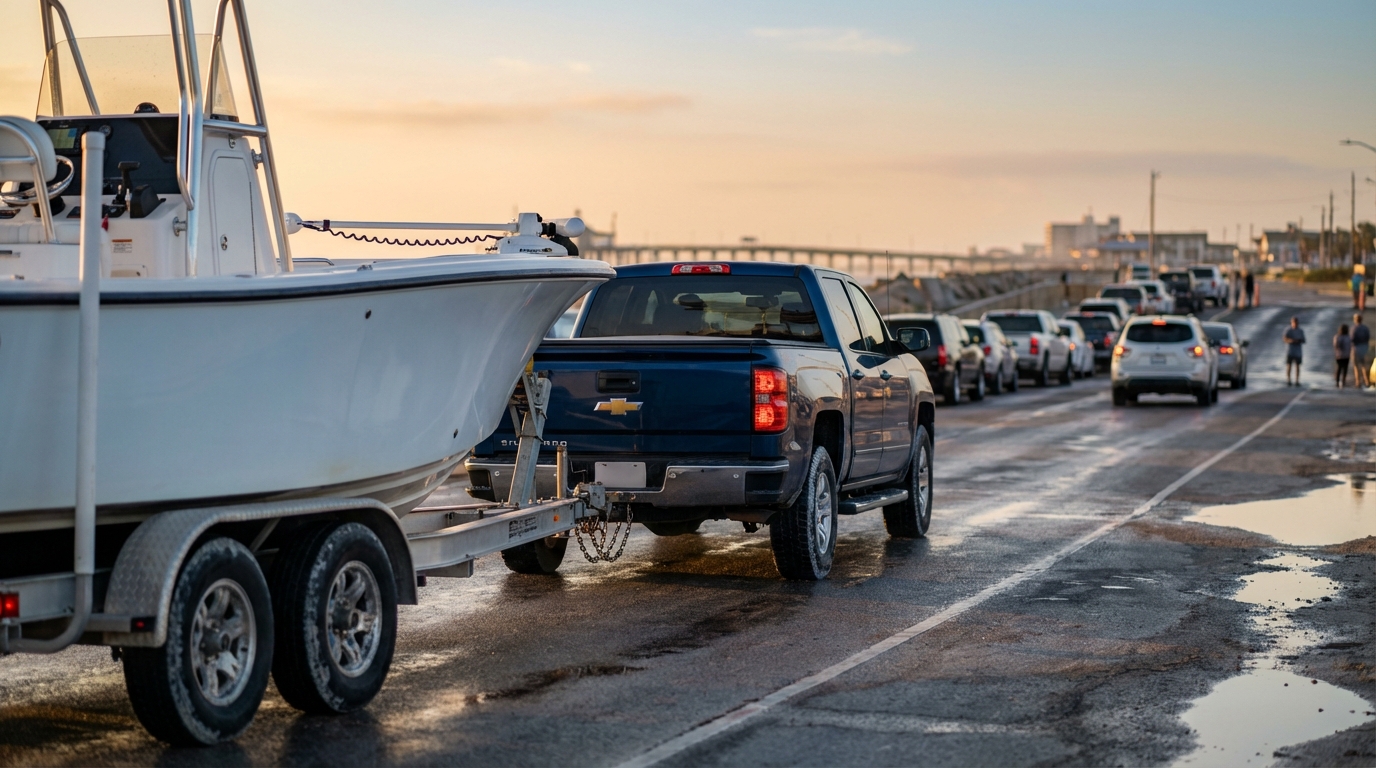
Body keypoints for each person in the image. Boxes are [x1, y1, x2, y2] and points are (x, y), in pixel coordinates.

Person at [1284, 316, 1305, 386]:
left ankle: (1297, 380)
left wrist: (1298, 340)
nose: (1295, 324)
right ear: (1291, 323)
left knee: (1297, 366)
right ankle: (1288, 379)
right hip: (1290, 350)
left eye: (1296, 322)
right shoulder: (1288, 330)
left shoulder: (1300, 331)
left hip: (1298, 351)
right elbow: (1284, 338)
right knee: (1289, 365)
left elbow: (1304, 340)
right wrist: (1291, 340)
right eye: (1294, 322)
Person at [1353, 315, 1371, 388]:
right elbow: (1368, 337)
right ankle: (1366, 381)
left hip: (1356, 347)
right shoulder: (1365, 328)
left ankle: (1358, 382)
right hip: (1364, 347)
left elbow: (1352, 338)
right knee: (1364, 365)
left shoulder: (1354, 328)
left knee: (1356, 366)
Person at [1334, 324, 1351, 389]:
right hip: (1346, 355)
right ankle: (1343, 381)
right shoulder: (1348, 337)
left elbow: (1335, 346)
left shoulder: (1337, 337)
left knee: (1339, 368)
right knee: (1344, 369)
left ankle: (1338, 381)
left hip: (1339, 355)